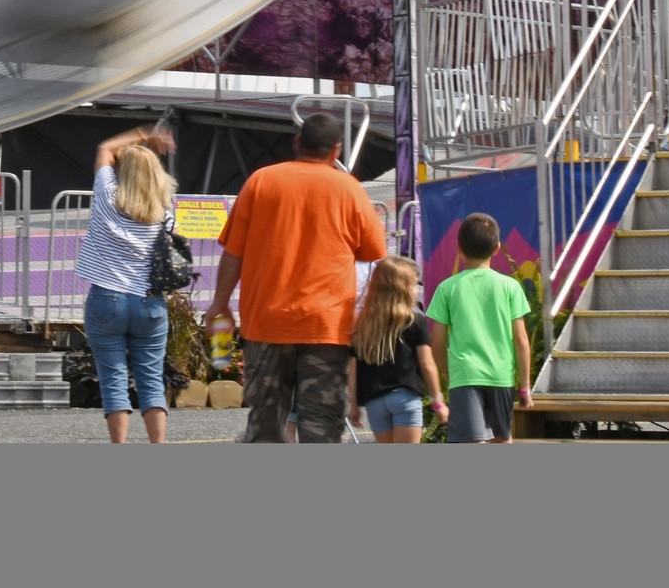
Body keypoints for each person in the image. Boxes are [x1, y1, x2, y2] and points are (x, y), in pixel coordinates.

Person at [204, 111, 386, 444]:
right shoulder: (349, 189)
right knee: (321, 425)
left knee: (266, 423)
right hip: (326, 327)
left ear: (298, 143)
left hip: (267, 324)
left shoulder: (261, 181)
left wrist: (220, 302)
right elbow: (374, 255)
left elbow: (234, 251)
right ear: (336, 152)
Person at [78, 131, 176, 444]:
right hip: (150, 303)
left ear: (122, 174)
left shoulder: (107, 197)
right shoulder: (165, 214)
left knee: (113, 379)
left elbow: (105, 146)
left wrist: (145, 134)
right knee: (151, 381)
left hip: (107, 297)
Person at [428, 213, 533, 445]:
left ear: (459, 247)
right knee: (502, 439)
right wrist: (524, 387)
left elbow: (436, 343)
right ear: (497, 248)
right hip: (501, 377)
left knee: (472, 442)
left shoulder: (446, 289)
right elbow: (521, 340)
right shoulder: (510, 286)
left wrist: (450, 374)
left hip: (464, 376)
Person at [349, 255, 446, 445]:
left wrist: (353, 405)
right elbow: (427, 364)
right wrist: (438, 400)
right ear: (403, 289)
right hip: (405, 398)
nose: (416, 290)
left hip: (375, 401)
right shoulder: (415, 322)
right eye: (413, 285)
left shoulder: (363, 325)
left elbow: (353, 369)